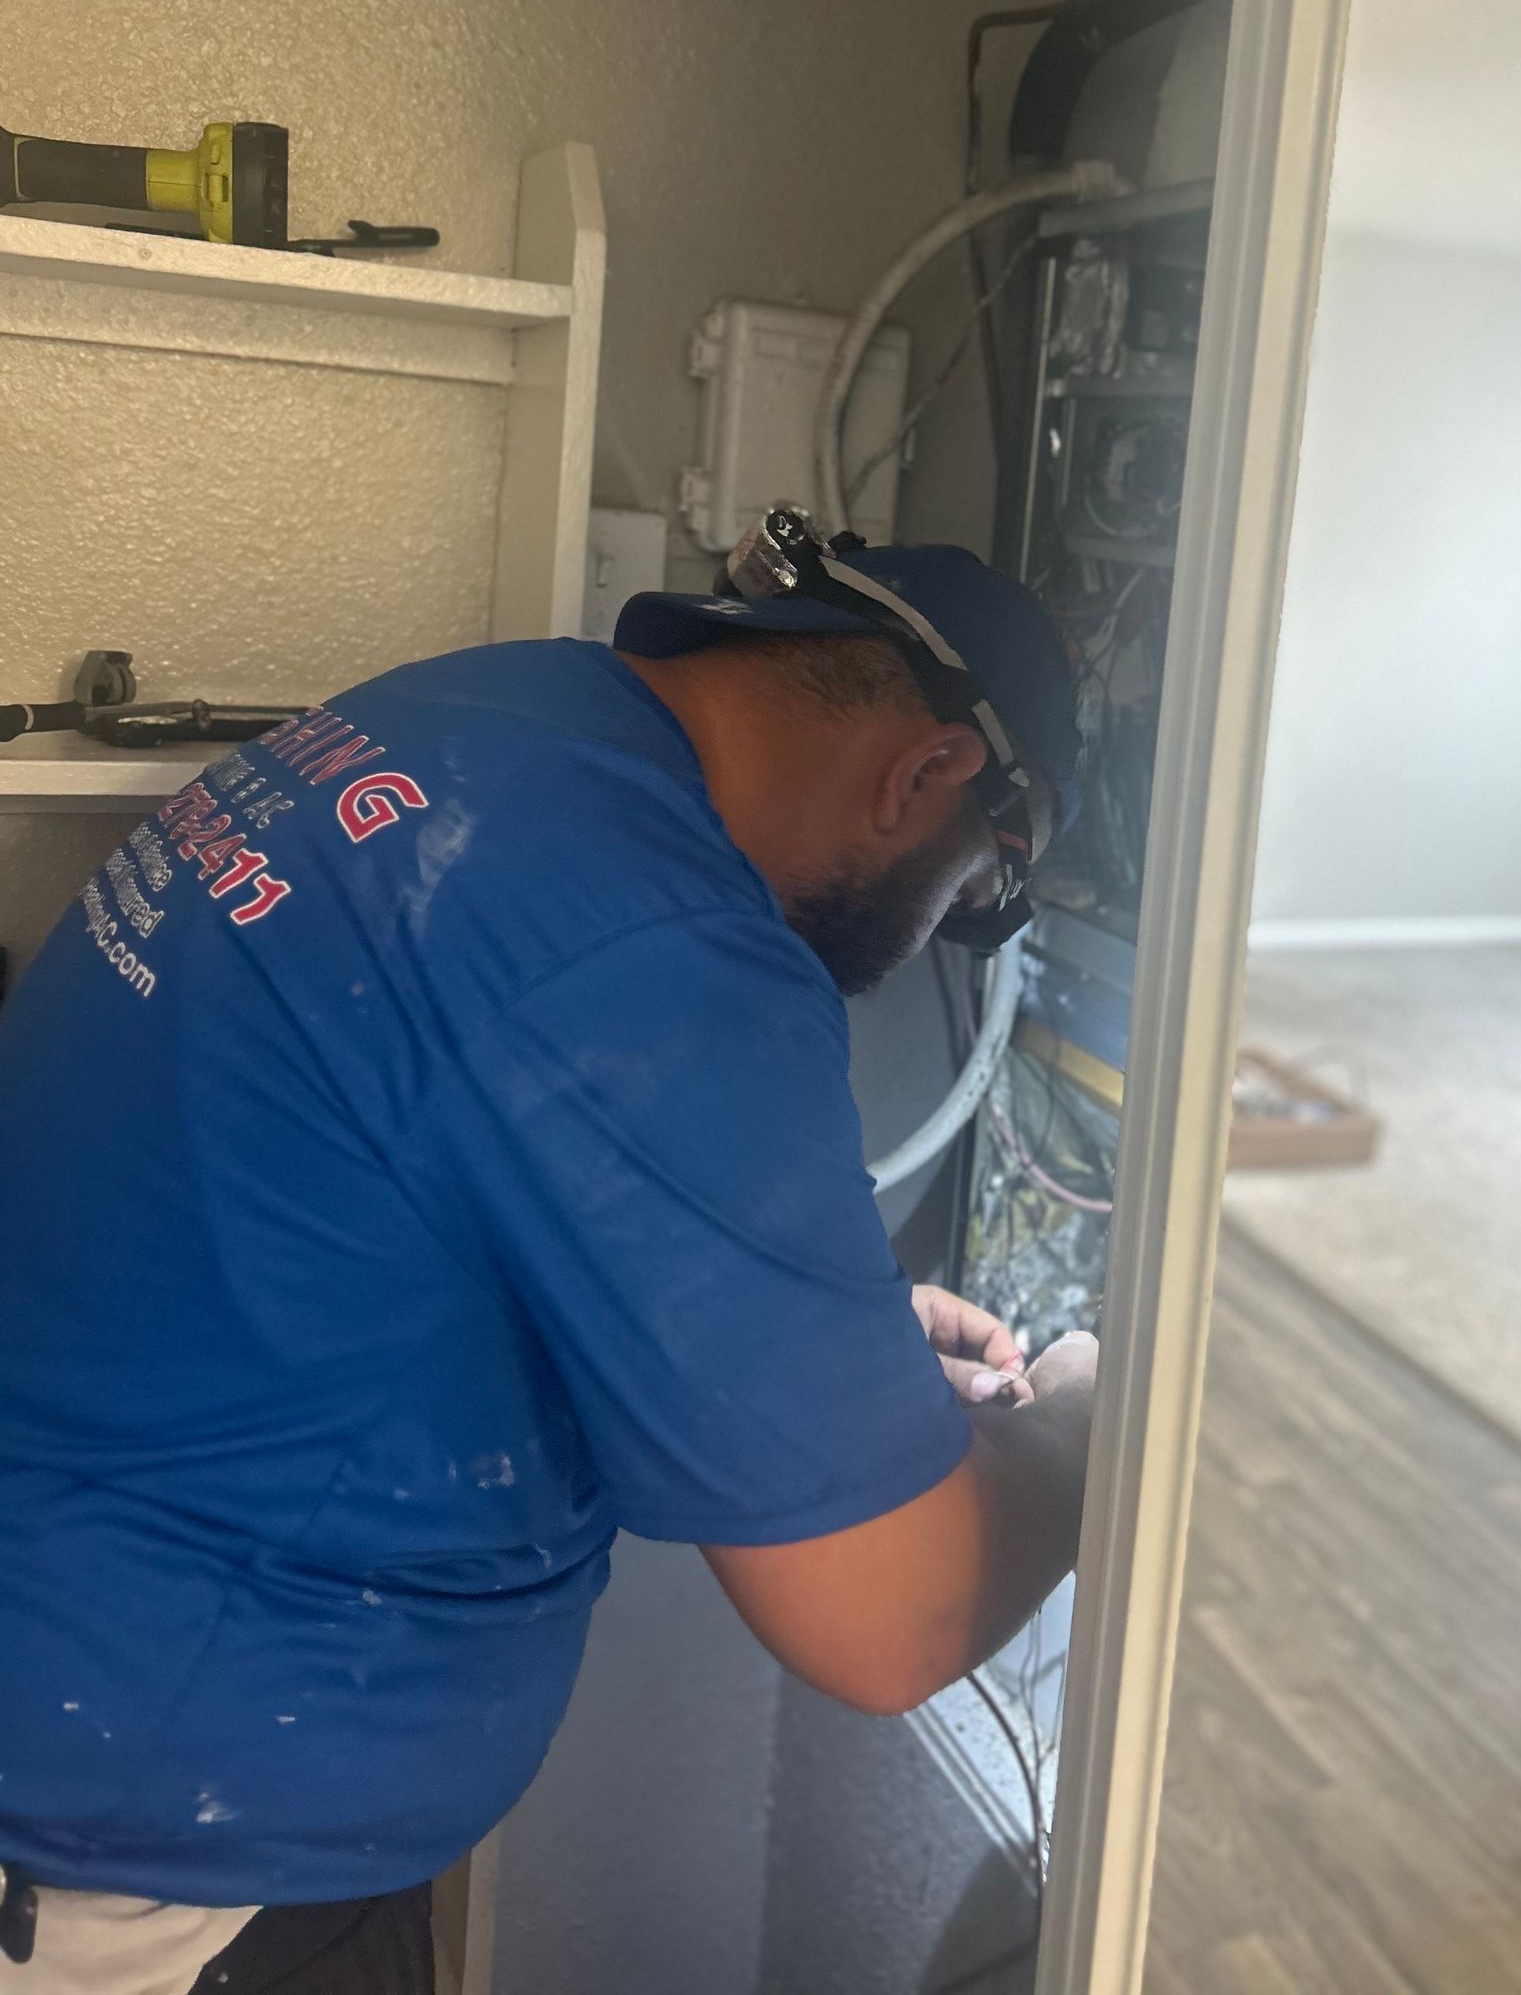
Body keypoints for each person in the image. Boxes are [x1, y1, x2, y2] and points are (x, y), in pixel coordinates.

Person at [0, 534, 1098, 1995]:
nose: (954, 918)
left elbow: (380, 1188)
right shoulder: (660, 946)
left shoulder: (478, 719)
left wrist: (831, 1346)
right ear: (929, 777)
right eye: (980, 884)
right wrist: (1097, 1420)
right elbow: (891, 1618)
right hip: (146, 1869)